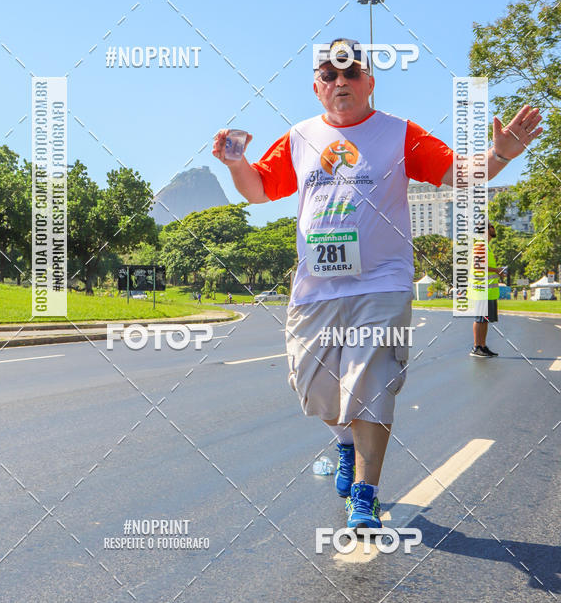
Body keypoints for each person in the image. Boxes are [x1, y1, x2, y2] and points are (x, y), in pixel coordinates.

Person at [212, 38, 542, 530]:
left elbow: (459, 172)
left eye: (351, 73)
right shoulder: (300, 137)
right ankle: (345, 442)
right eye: (329, 74)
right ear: (317, 88)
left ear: (369, 82)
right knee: (314, 390)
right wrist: (237, 165)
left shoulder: (399, 133)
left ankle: (365, 496)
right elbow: (258, 190)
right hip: (315, 288)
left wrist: (499, 154)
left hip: (381, 283)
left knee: (371, 384)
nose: (340, 81)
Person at [470, 222, 506, 358]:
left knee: (484, 319)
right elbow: (478, 266)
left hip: (488, 290)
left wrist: (497, 271)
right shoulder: (480, 245)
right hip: (481, 290)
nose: (494, 229)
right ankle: (476, 347)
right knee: (480, 319)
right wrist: (496, 270)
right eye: (492, 226)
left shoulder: (486, 246)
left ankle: (483, 346)